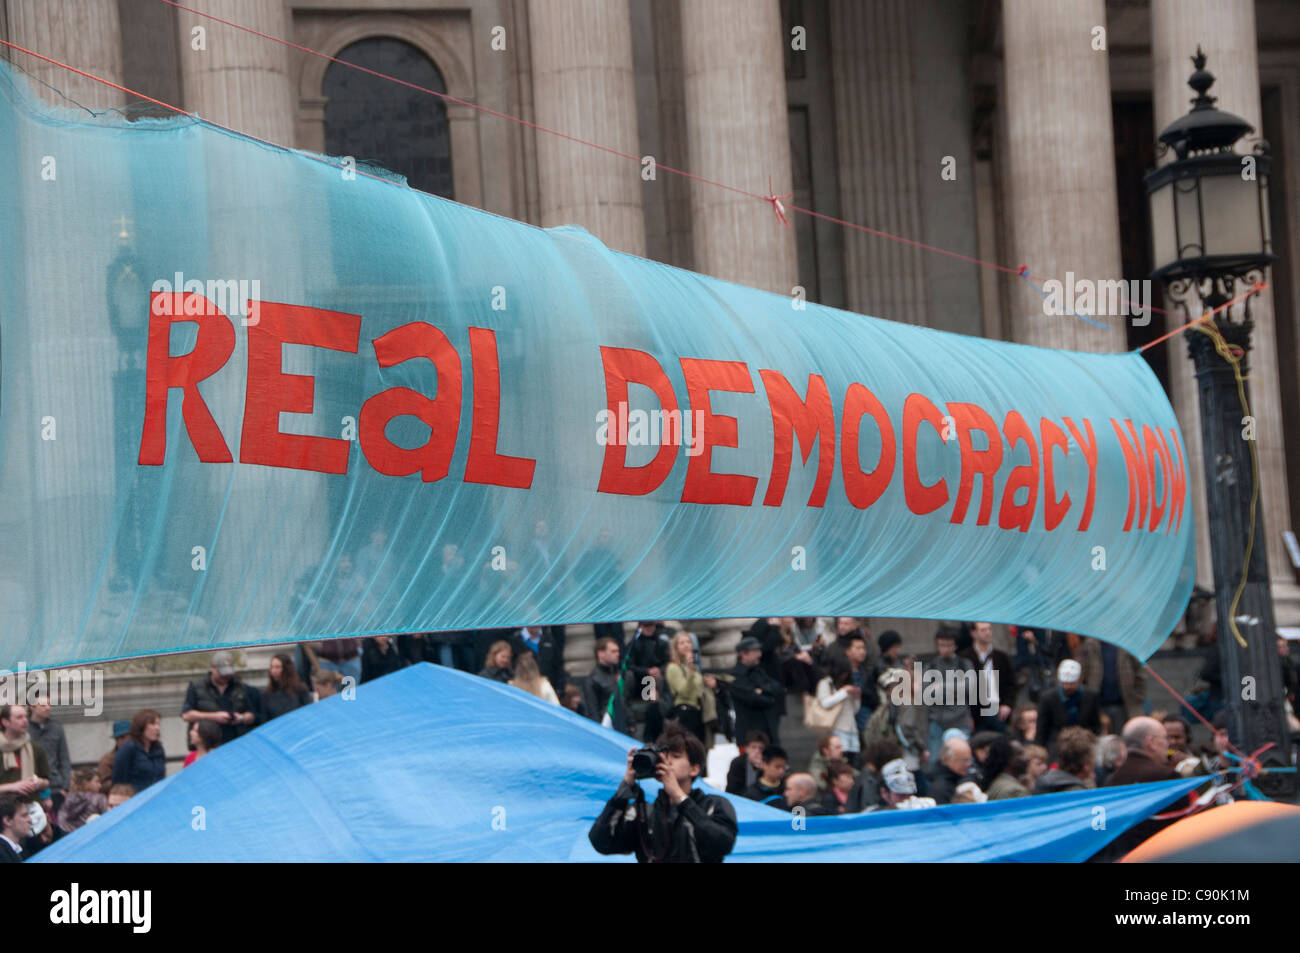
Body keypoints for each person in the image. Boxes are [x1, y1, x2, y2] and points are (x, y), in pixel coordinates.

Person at [588, 729, 737, 863]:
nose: (667, 762)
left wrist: (679, 797)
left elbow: (723, 843)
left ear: (694, 769)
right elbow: (601, 843)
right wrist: (625, 788)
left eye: (676, 756)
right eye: (663, 756)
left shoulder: (713, 805)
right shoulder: (645, 813)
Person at [181, 651, 261, 745]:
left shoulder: (241, 687)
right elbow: (186, 715)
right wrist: (214, 717)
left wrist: (241, 718)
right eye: (221, 672)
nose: (225, 676)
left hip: (235, 742)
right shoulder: (196, 687)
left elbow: (254, 716)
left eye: (228, 672)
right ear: (212, 668)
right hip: (207, 744)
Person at [815, 633, 868, 764]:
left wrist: (856, 697)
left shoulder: (848, 684)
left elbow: (854, 710)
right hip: (835, 730)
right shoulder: (826, 683)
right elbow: (825, 703)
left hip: (851, 729)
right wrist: (844, 692)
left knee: (853, 763)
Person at [1080, 636, 1146, 735]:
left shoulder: (1126, 644)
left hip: (1124, 703)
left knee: (1125, 735)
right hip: (1098, 703)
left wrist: (1137, 694)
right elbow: (1082, 673)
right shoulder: (1089, 645)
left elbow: (1140, 673)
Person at [926, 628, 975, 758]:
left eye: (949, 645)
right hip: (937, 721)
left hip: (961, 720)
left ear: (955, 646)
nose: (946, 649)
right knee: (935, 759)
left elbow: (970, 687)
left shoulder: (964, 664)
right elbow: (927, 693)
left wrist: (940, 687)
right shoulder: (931, 665)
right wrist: (955, 690)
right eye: (942, 645)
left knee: (962, 757)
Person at [960, 621, 1016, 731]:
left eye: (989, 629)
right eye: (983, 630)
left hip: (997, 709)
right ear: (973, 633)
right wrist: (966, 715)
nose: (987, 633)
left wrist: (1007, 704)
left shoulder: (1001, 657)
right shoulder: (964, 658)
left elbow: (1011, 683)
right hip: (975, 712)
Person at [1036, 658, 1101, 753]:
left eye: (1071, 683)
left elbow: (1095, 725)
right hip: (1057, 746)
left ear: (1079, 680)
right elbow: (1042, 728)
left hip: (1084, 744)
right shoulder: (1047, 698)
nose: (1068, 687)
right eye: (1064, 683)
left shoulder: (1091, 696)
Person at [730, 635, 784, 745]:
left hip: (768, 731)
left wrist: (762, 690)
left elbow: (777, 688)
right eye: (755, 651)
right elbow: (753, 698)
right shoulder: (737, 676)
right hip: (749, 733)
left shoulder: (759, 671)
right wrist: (766, 694)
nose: (759, 655)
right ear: (744, 654)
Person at [665, 631, 716, 744]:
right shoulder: (673, 668)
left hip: (698, 711)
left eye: (688, 642)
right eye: (682, 643)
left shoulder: (695, 667)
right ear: (676, 648)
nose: (686, 645)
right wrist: (690, 672)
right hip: (684, 711)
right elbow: (684, 691)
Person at [625, 621, 671, 740]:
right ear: (640, 627)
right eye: (646, 626)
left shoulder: (661, 643)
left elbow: (668, 662)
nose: (649, 629)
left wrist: (658, 670)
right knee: (650, 685)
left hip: (658, 680)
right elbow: (630, 665)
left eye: (651, 626)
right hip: (641, 681)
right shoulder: (633, 645)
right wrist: (647, 671)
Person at [1106, 717, 1178, 786]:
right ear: (1151, 742)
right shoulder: (1167, 776)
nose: (1168, 744)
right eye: (1165, 738)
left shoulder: (1112, 781)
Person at [0, 705, 51, 798]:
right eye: (19, 717)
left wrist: (40, 783)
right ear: (5, 722)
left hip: (29, 804)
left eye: (25, 716)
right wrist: (12, 787)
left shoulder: (35, 748)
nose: (25, 720)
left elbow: (47, 781)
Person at [26, 694, 71, 795]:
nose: (47, 708)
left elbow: (64, 758)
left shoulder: (56, 727)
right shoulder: (24, 728)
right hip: (31, 783)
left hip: (55, 784)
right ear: (31, 707)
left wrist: (65, 787)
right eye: (43, 705)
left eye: (49, 704)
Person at [112, 710, 166, 792]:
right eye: (152, 724)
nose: (157, 728)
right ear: (141, 726)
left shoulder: (158, 749)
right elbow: (119, 781)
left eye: (158, 724)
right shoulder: (128, 749)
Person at [1032, 726, 1095, 794]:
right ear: (1086, 765)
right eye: (1093, 756)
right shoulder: (1080, 796)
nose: (1095, 762)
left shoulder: (1041, 785)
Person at [864, 759, 936, 811]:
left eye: (909, 794)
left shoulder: (922, 806)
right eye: (901, 795)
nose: (906, 799)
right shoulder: (872, 814)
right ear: (884, 793)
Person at [262, 653, 313, 721]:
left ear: (286, 669)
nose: (273, 671)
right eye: (272, 667)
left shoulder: (300, 689)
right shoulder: (267, 693)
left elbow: (309, 712)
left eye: (277, 667)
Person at [582, 637, 622, 723]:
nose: (617, 654)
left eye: (618, 651)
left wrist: (631, 722)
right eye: (613, 651)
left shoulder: (619, 674)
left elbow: (624, 701)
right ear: (601, 654)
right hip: (606, 723)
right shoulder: (592, 680)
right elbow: (592, 710)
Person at [55, 770, 108, 834]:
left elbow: (61, 820)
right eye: (97, 782)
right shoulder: (99, 798)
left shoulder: (68, 799)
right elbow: (107, 818)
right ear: (86, 782)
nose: (100, 785)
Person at [927, 736, 972, 804]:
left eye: (969, 760)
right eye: (964, 760)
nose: (968, 764)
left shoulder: (964, 777)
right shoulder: (939, 789)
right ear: (948, 759)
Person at [726, 731, 768, 795]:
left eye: (760, 748)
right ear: (747, 749)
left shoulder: (768, 764)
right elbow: (732, 789)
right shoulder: (738, 763)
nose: (757, 751)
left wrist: (763, 771)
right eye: (753, 747)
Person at [97, 720, 131, 795]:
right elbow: (103, 786)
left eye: (123, 737)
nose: (120, 741)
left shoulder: (141, 756)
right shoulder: (107, 760)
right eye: (117, 738)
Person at [0, 793, 31, 863]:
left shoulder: (18, 849)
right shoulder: (2, 855)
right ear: (8, 821)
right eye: (24, 815)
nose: (30, 820)